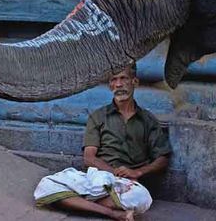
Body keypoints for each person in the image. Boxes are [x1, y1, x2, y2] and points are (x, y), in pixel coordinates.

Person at [34, 62, 170, 220]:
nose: (118, 84)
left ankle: (77, 203)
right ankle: (112, 213)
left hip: (126, 183)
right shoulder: (98, 116)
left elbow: (162, 159)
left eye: (124, 78)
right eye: (113, 80)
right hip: (98, 177)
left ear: (135, 82)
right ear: (110, 85)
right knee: (46, 185)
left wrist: (137, 172)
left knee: (141, 197)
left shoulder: (148, 120)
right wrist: (112, 172)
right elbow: (89, 157)